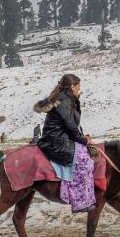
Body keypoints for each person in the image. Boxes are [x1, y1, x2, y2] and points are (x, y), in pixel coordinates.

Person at [34, 73, 95, 212]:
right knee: (85, 162)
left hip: (61, 137)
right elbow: (69, 124)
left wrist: (81, 137)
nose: (79, 89)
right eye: (78, 86)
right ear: (72, 86)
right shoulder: (64, 100)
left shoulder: (65, 99)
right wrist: (82, 139)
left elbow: (71, 124)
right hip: (56, 141)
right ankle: (79, 201)